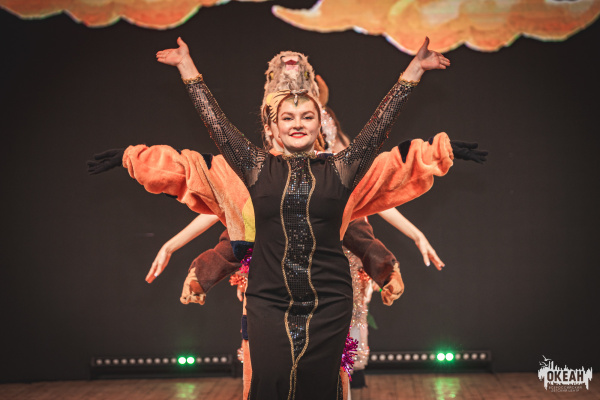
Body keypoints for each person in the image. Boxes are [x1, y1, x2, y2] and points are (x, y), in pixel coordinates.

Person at [88, 37, 486, 399]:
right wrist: (185, 68)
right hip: (268, 300)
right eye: (288, 118)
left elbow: (381, 130)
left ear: (319, 122)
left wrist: (415, 73)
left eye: (307, 117)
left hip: (329, 299)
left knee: (321, 388)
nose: (298, 124)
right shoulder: (255, 167)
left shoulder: (342, 169)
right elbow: (214, 127)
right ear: (274, 126)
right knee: (270, 384)